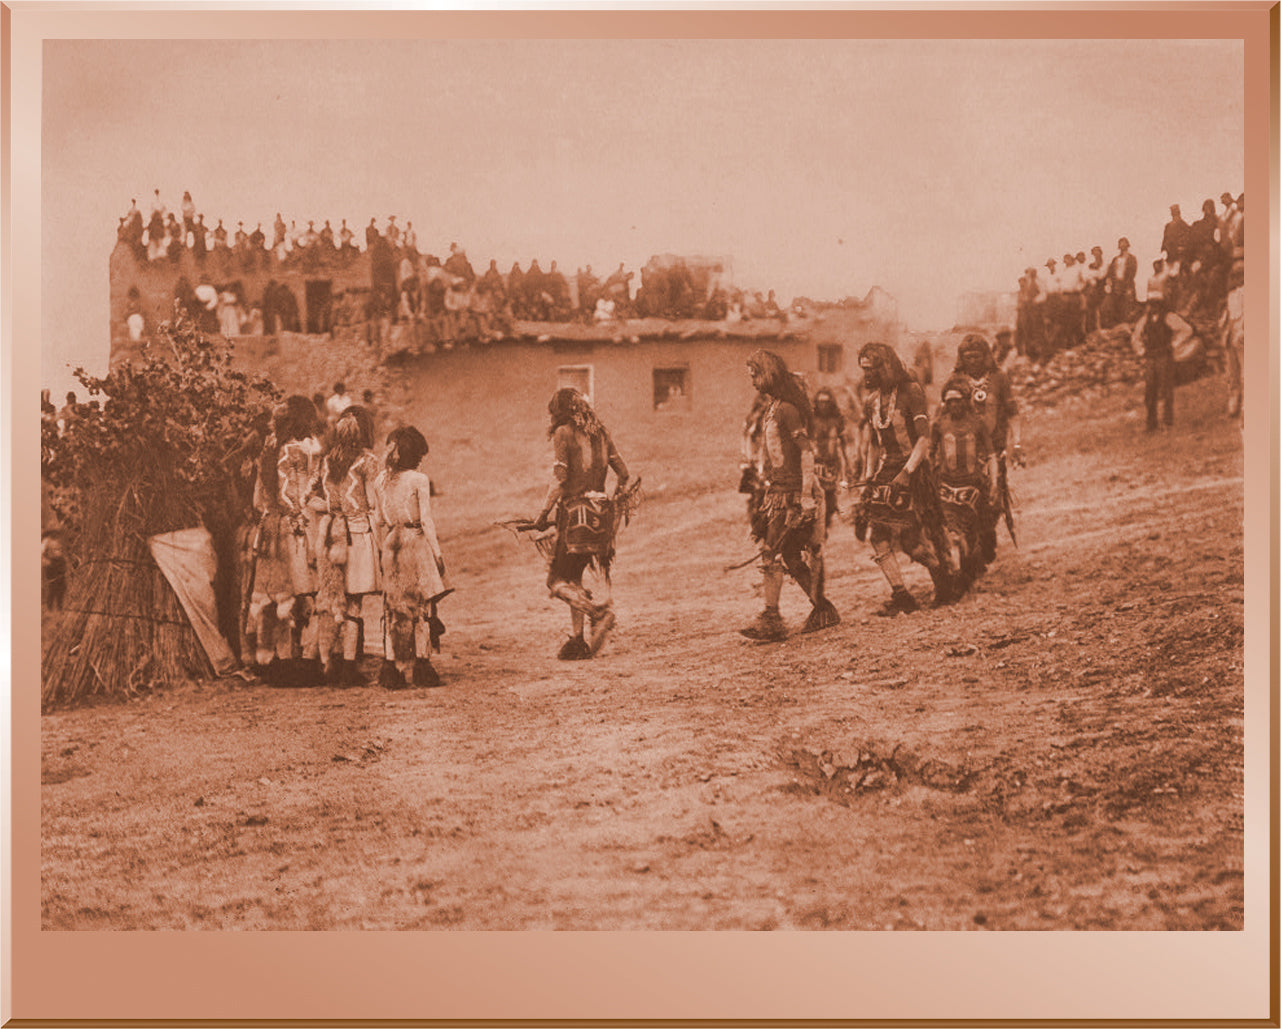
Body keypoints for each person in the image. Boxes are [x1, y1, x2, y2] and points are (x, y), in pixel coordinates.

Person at [738, 351, 839, 641]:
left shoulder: (787, 410)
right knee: (792, 556)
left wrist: (805, 495)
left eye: (755, 375)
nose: (753, 381)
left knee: (772, 554)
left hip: (791, 494)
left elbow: (807, 451)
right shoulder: (773, 407)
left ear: (768, 373)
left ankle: (772, 617)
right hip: (779, 493)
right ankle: (823, 608)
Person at [854, 342, 953, 614]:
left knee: (911, 542)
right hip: (887, 472)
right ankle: (901, 595)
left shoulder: (911, 392)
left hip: (914, 469)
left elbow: (924, 438)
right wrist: (869, 477)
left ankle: (943, 578)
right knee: (878, 534)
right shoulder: (871, 402)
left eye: (872, 369)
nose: (867, 375)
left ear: (886, 367)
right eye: (864, 369)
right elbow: (874, 445)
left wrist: (907, 473)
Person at [532, 388, 631, 659]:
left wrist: (543, 513)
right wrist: (609, 505)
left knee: (555, 581)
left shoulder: (564, 432)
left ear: (560, 412)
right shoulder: (601, 432)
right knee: (574, 578)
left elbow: (560, 479)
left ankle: (598, 612)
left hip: (574, 519)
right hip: (599, 519)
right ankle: (577, 641)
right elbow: (624, 474)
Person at [247, 396, 325, 685]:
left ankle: (271, 662)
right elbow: (297, 494)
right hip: (294, 525)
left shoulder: (268, 449)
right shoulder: (298, 450)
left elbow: (258, 500)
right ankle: (298, 663)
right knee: (298, 592)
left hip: (268, 527)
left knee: (270, 595)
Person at [375, 426, 452, 688]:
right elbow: (426, 520)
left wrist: (380, 551)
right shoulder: (419, 480)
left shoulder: (380, 481)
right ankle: (422, 664)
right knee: (420, 606)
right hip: (414, 541)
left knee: (392, 606)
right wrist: (437, 553)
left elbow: (377, 521)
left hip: (389, 544)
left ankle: (390, 665)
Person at [314, 406, 381, 687]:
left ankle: (331, 661)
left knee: (333, 599)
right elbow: (373, 502)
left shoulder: (327, 461)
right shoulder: (367, 461)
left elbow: (315, 497)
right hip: (356, 535)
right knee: (353, 603)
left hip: (330, 533)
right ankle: (349, 666)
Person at [952, 333, 1022, 563]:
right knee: (965, 501)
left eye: (976, 356)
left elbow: (1013, 414)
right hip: (963, 452)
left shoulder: (999, 378)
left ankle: (987, 535)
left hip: (994, 449)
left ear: (985, 356)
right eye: (967, 356)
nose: (972, 360)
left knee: (992, 499)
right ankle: (972, 548)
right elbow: (944, 415)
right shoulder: (955, 380)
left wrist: (1017, 443)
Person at [931, 374, 997, 595]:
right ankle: (956, 578)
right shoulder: (939, 425)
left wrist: (994, 483)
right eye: (949, 401)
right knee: (952, 532)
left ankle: (968, 570)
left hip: (972, 486)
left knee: (969, 534)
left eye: (958, 400)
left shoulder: (977, 424)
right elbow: (929, 454)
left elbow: (991, 455)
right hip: (946, 485)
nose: (953, 405)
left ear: (965, 400)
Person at [811, 388, 851, 531]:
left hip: (830, 465)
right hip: (814, 464)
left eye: (826, 402)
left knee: (829, 500)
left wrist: (846, 466)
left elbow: (843, 443)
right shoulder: (811, 419)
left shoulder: (837, 420)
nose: (823, 406)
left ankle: (825, 528)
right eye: (820, 402)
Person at [1104, 237, 1137, 327]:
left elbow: (1132, 273)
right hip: (1116, 285)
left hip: (1126, 284)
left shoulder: (1131, 258)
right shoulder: (1115, 259)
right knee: (1115, 306)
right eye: (1120, 243)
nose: (1122, 245)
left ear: (1127, 245)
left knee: (1126, 306)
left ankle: (1126, 326)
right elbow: (1110, 272)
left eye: (1124, 243)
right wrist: (1110, 283)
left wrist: (1126, 285)